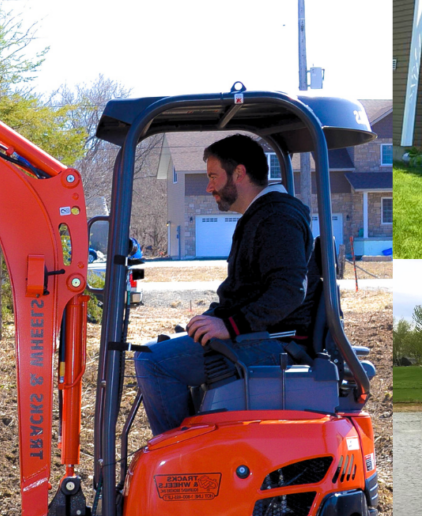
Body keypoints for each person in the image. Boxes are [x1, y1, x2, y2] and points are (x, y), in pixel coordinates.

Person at [133, 134, 313, 434]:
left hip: (277, 343)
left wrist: (232, 326)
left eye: (214, 176)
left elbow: (289, 289)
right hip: (262, 335)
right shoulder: (261, 215)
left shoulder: (278, 217)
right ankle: (193, 446)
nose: (209, 187)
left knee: (154, 363)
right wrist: (213, 318)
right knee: (157, 351)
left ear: (239, 173)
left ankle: (182, 462)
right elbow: (246, 290)